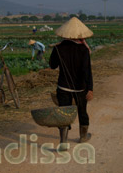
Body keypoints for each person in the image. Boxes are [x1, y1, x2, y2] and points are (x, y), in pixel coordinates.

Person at [49, 17, 93, 150]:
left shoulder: (58, 48)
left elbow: (52, 65)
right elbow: (87, 71)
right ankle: (83, 136)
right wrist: (90, 88)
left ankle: (63, 142)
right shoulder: (84, 50)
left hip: (63, 87)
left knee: (64, 114)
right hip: (80, 88)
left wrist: (56, 53)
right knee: (82, 111)